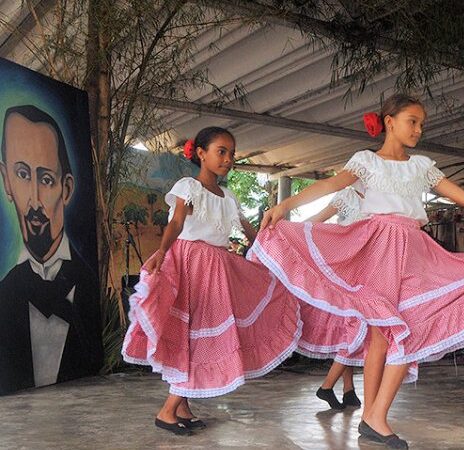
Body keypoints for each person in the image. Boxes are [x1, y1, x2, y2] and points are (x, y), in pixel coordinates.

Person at [250, 93, 464, 449]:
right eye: (412, 121)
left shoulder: (421, 165)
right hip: (378, 247)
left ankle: (375, 416)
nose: (419, 129)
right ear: (389, 122)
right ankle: (372, 416)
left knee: (409, 326)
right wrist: (285, 206)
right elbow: (329, 185)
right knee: (380, 334)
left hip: (414, 250)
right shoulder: (366, 161)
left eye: (421, 123)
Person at [121, 127, 301, 435]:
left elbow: (249, 233)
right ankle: (167, 411)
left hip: (218, 267)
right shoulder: (189, 186)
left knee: (196, 338)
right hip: (191, 265)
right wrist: (162, 251)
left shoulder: (228, 197)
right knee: (196, 337)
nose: (228, 159)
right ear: (201, 153)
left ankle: (182, 406)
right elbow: (177, 222)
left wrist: (279, 249)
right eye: (221, 151)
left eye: (232, 153)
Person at [0, 105, 102, 394]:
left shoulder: (90, 284)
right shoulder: (4, 293)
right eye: (21, 174)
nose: (34, 201)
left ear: (66, 188)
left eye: (45, 179)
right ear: (6, 180)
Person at [303, 185, 365, 410]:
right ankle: (327, 387)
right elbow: (318, 219)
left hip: (367, 269)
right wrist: (285, 228)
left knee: (350, 328)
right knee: (357, 327)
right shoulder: (348, 195)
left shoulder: (383, 197)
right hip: (345, 269)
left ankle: (348, 390)